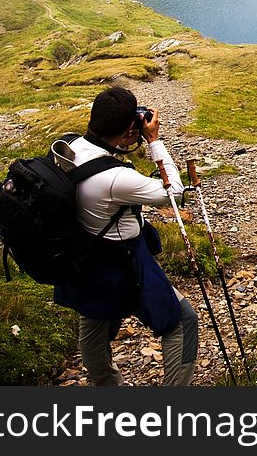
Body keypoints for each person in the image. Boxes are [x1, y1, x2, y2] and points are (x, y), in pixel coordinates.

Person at [53, 86, 198, 386]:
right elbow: (174, 194)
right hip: (123, 261)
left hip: (84, 258)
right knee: (183, 320)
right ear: (129, 128)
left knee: (93, 320)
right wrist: (154, 141)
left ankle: (107, 387)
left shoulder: (70, 148)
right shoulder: (115, 178)